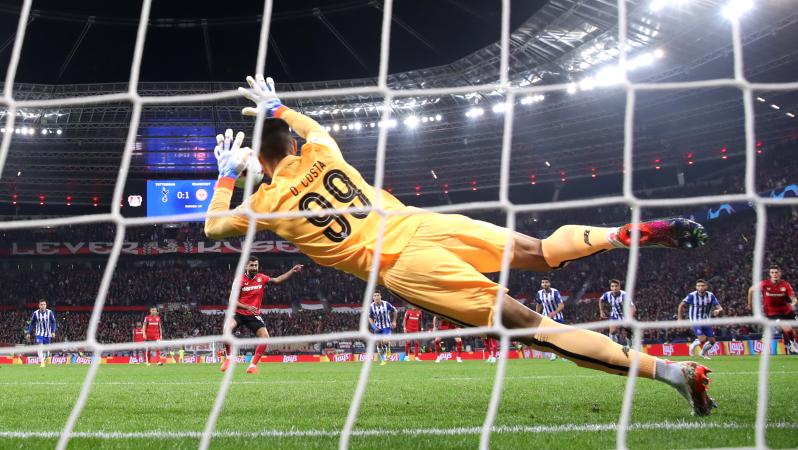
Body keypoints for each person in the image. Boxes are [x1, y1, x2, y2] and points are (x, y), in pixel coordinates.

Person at [204, 74, 716, 416]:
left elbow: (213, 228)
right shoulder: (323, 152)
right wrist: (279, 108)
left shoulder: (265, 204)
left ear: (259, 167)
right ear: (293, 144)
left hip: (404, 264)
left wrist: (226, 176)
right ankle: (615, 235)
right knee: (540, 251)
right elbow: (311, 127)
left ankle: (674, 373)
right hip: (422, 223)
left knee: (535, 327)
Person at [220, 256, 303, 374]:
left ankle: (252, 365)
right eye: (252, 265)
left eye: (256, 265)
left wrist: (292, 271)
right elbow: (231, 301)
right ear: (246, 266)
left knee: (265, 337)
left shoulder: (261, 278)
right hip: (238, 313)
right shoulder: (239, 280)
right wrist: (246, 307)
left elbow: (277, 280)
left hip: (253, 315)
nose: (254, 267)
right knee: (226, 329)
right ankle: (229, 359)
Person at [748, 265, 798, 354]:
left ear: (780, 273)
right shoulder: (764, 283)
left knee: (796, 329)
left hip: (787, 311)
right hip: (773, 314)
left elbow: (793, 298)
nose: (774, 274)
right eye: (772, 272)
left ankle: (794, 343)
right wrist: (750, 304)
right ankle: (792, 344)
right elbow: (751, 290)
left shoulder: (785, 284)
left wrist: (793, 303)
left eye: (776, 272)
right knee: (787, 327)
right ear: (770, 274)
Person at [678, 279, 723, 359]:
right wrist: (680, 318)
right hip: (695, 320)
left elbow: (720, 308)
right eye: (698, 286)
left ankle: (702, 353)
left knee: (712, 341)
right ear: (696, 287)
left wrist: (718, 310)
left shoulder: (710, 295)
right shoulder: (692, 295)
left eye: (702, 286)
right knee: (702, 339)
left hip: (706, 320)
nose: (700, 287)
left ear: (706, 287)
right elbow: (681, 305)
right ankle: (693, 345)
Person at [599, 279, 635, 346]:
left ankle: (629, 346)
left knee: (628, 333)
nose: (614, 288)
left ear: (619, 287)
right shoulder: (607, 294)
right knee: (612, 332)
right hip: (615, 315)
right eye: (612, 286)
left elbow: (633, 308)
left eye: (616, 286)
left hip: (625, 316)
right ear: (610, 287)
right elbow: (601, 300)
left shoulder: (625, 295)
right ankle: (614, 346)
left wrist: (629, 318)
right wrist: (601, 311)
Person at [368, 291, 397, 365]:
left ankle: (388, 349)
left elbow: (395, 310)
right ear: (373, 297)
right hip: (377, 328)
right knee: (378, 344)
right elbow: (370, 318)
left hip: (386, 326)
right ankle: (383, 359)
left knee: (384, 341)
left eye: (377, 295)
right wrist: (373, 326)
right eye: (375, 296)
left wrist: (394, 321)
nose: (376, 297)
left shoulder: (386, 304)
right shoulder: (371, 306)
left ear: (380, 296)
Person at [26, 299, 56, 368]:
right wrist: (28, 333)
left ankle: (45, 358)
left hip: (48, 334)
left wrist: (53, 331)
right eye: (41, 304)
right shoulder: (35, 313)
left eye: (44, 304)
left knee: (47, 351)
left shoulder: (50, 312)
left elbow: (53, 322)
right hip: (39, 333)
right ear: (39, 306)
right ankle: (42, 363)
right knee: (40, 347)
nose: (43, 306)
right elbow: (32, 323)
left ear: (46, 305)